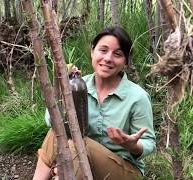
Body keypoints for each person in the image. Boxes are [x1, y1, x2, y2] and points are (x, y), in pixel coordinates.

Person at [33, 26, 156, 180]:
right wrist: (62, 87)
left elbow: (149, 142)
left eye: (117, 54)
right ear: (92, 51)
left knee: (76, 145)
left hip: (124, 170)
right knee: (56, 133)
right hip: (82, 161)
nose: (108, 58)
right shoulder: (79, 85)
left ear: (126, 60)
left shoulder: (137, 97)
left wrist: (132, 145)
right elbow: (52, 121)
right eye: (103, 50)